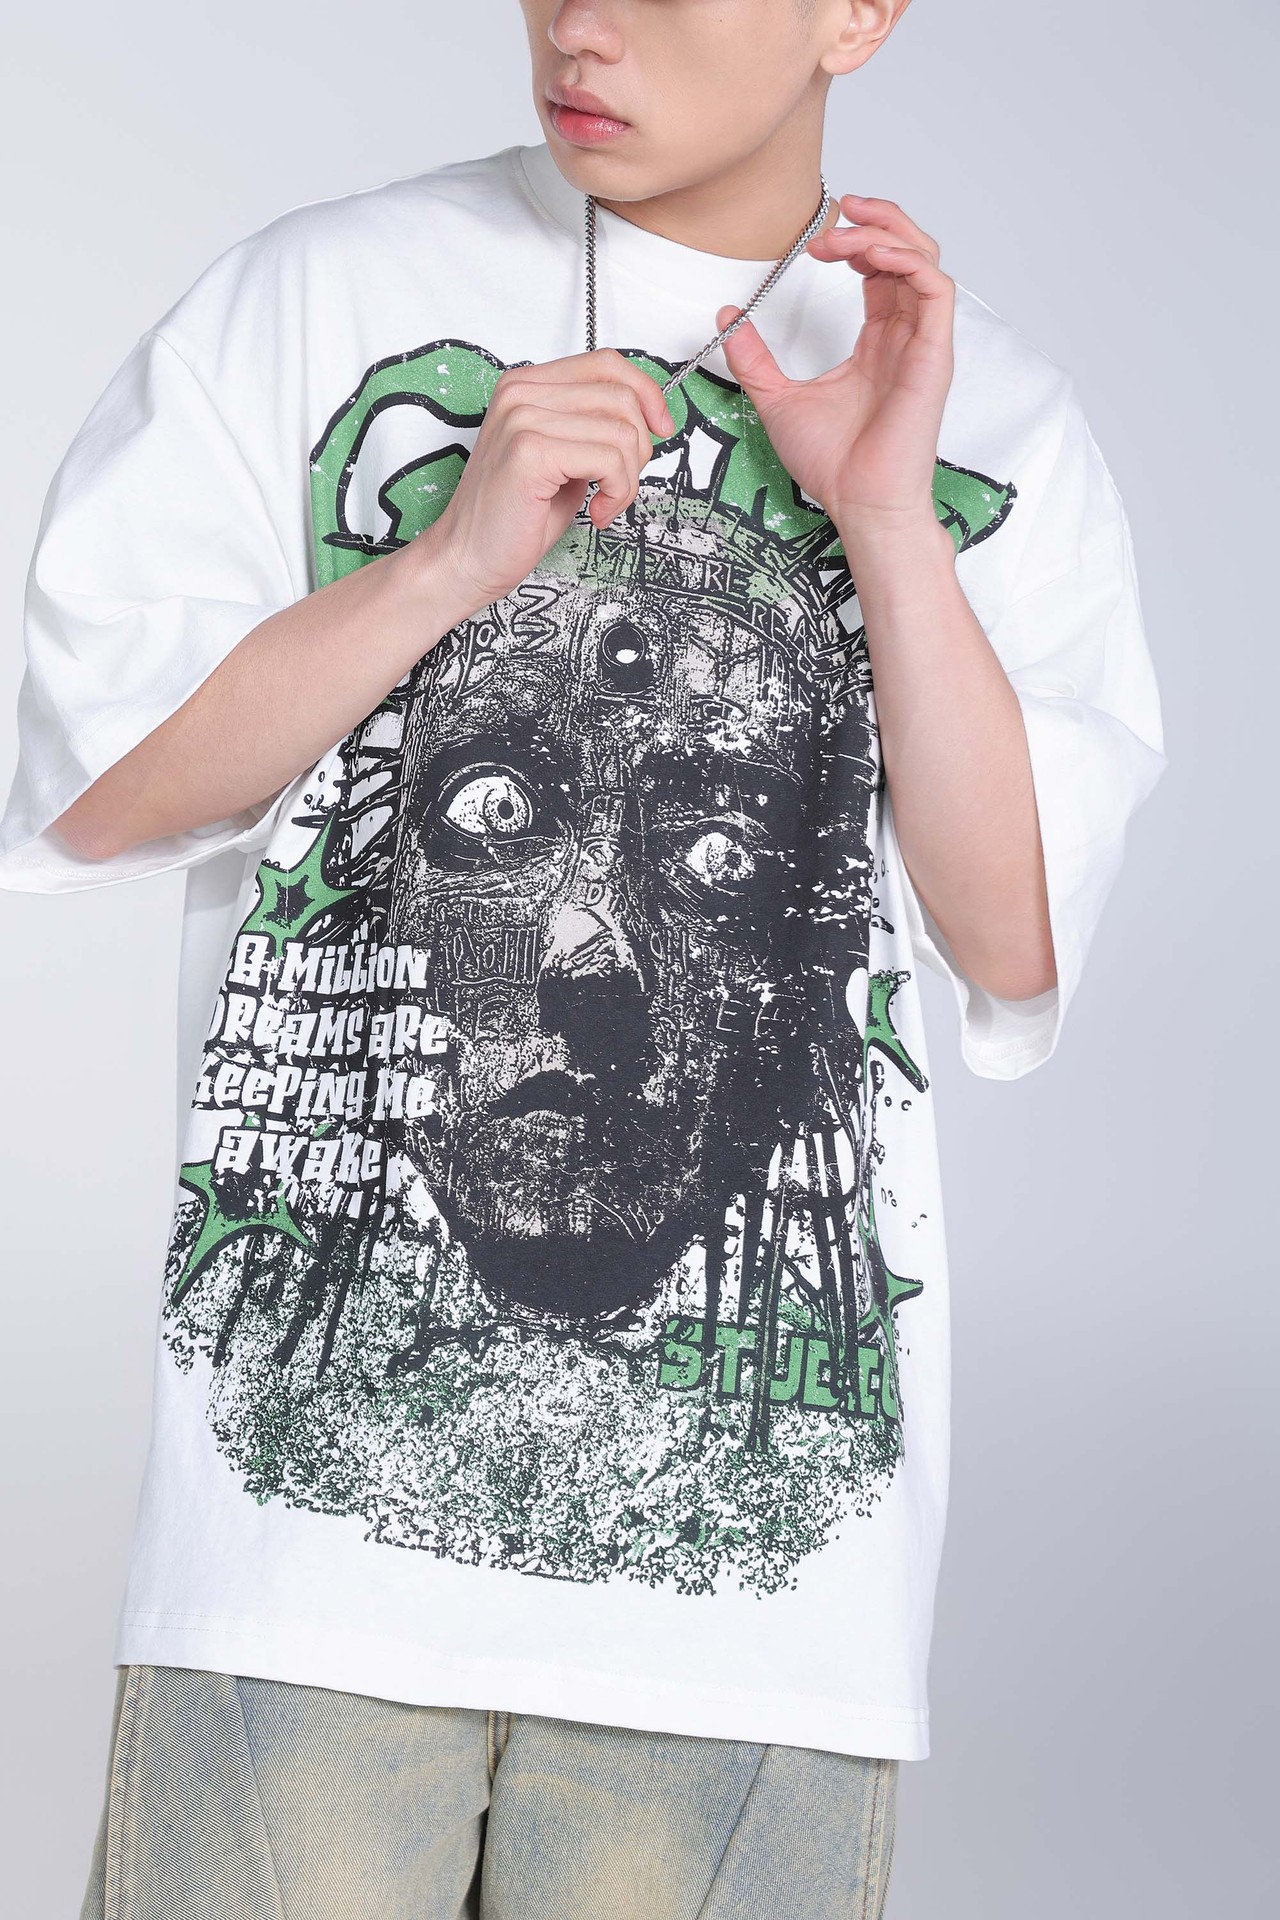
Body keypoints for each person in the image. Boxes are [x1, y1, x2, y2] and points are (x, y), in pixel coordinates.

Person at [0, 2, 1167, 1915]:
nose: (584, 22)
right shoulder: (314, 301)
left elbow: (1012, 941)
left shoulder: (984, 410)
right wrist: (447, 563)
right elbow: (91, 798)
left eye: (712, 852)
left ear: (856, 13)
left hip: (761, 1602)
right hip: (298, 1563)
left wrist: (889, 521)